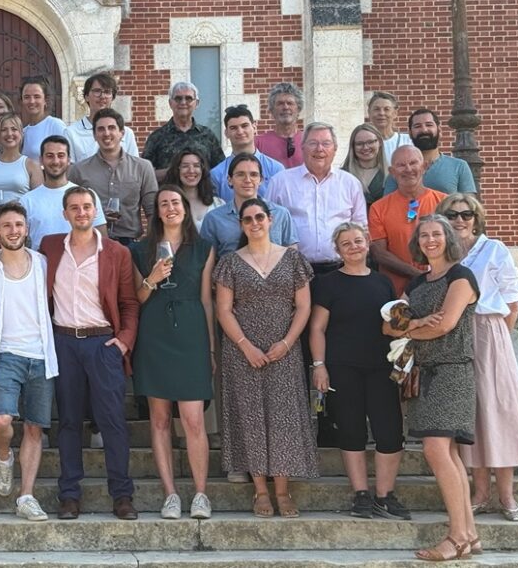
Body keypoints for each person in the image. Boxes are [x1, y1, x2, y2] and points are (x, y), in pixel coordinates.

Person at [438, 194, 518, 521]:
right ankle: (480, 492)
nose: (459, 220)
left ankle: (506, 495)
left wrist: (498, 340)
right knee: (471, 415)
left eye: (466, 214)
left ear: (476, 218)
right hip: (455, 335)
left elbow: (512, 301)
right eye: (452, 214)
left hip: (489, 332)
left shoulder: (494, 249)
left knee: (500, 412)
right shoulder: (443, 253)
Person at [213, 198, 317, 518]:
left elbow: (304, 306)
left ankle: (282, 491)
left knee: (283, 418)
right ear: (241, 225)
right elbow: (223, 310)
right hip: (243, 351)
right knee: (251, 418)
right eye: (248, 219)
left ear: (271, 220)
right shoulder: (230, 262)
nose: (255, 223)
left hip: (283, 349)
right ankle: (260, 491)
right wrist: (245, 346)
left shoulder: (293, 259)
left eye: (259, 217)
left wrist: (287, 343)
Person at [384, 215, 480, 560]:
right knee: (448, 453)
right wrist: (416, 323)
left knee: (437, 450)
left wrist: (411, 327)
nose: (430, 240)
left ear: (448, 238)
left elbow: (446, 325)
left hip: (452, 372)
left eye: (436, 234)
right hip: (423, 374)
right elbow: (388, 327)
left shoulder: (461, 277)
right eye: (424, 235)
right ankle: (470, 535)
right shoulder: (417, 283)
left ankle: (457, 537)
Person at [41, 186, 139, 521]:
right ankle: (69, 495)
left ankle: (122, 494)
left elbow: (129, 302)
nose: (81, 212)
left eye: (86, 207)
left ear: (95, 211)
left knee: (112, 421)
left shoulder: (116, 252)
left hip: (102, 343)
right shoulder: (50, 246)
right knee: (68, 421)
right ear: (65, 213)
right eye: (74, 207)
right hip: (64, 342)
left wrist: (123, 341)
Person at [308, 222, 410, 520]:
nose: (353, 247)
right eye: (346, 243)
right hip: (342, 367)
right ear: (337, 250)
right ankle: (361, 495)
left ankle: (385, 496)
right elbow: (317, 328)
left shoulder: (383, 283)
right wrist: (319, 366)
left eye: (357, 241)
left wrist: (404, 364)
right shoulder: (327, 283)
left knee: (389, 431)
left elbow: (394, 327)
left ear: (367, 243)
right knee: (351, 431)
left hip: (382, 368)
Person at [131, 186, 216, 520]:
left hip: (192, 334)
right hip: (155, 334)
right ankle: (170, 495)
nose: (170, 208)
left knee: (193, 419)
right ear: (156, 211)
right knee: (160, 419)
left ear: (185, 208)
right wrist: (152, 279)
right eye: (163, 203)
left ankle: (200, 494)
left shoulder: (204, 248)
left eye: (175, 202)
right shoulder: (140, 249)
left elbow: (207, 301)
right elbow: (137, 299)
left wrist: (211, 347)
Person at [0, 203, 57, 522]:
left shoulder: (43, 263)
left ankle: (26, 495)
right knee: (1, 421)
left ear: (27, 229)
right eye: (7, 226)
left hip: (41, 355)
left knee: (34, 427)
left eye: (19, 225)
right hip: (5, 355)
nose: (13, 231)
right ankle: (4, 455)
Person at [267, 122, 367, 276]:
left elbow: (360, 228)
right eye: (313, 143)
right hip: (294, 271)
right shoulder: (280, 182)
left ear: (335, 148)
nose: (319, 149)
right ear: (302, 147)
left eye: (326, 143)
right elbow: (267, 225)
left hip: (342, 269)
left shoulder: (350, 183)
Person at [68, 107, 158, 245]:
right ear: (94, 135)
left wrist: (149, 245)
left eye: (111, 128)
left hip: (130, 244)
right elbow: (70, 210)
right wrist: (96, 216)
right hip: (92, 243)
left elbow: (152, 211)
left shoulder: (143, 167)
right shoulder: (79, 170)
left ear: (122, 133)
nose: (106, 133)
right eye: (101, 129)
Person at [369, 146, 447, 296]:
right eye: (401, 165)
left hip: (439, 288)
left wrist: (433, 276)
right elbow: (379, 253)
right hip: (394, 292)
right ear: (392, 172)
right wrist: (418, 275)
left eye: (413, 163)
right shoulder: (378, 208)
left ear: (424, 166)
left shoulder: (444, 202)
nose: (408, 169)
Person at [201, 153, 297, 258]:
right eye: (240, 174)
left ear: (261, 180)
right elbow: (206, 260)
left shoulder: (280, 214)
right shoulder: (214, 219)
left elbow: (292, 258)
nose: (247, 180)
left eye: (253, 175)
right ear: (229, 180)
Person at [20, 135, 107, 249]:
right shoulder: (27, 201)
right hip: (42, 259)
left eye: (61, 155)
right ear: (41, 160)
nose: (55, 161)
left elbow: (102, 240)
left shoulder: (88, 196)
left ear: (69, 160)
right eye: (50, 156)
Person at [383, 109, 477, 197]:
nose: (424, 130)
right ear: (410, 133)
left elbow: (470, 205)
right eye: (417, 126)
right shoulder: (400, 170)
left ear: (439, 130)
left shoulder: (459, 166)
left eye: (429, 125)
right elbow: (388, 205)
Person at [142, 81, 225, 172]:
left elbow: (221, 171)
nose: (183, 102)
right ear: (170, 103)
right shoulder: (157, 137)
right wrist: (170, 173)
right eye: (178, 98)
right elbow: (144, 173)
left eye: (188, 98)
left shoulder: (208, 136)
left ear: (197, 103)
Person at [209, 104, 285, 203]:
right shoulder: (217, 174)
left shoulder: (276, 170)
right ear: (226, 133)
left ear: (254, 127)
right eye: (233, 128)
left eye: (244, 126)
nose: (240, 131)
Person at [62, 73, 140, 161]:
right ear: (86, 97)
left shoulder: (127, 133)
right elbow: (70, 168)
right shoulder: (71, 133)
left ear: (112, 97)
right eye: (97, 91)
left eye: (107, 92)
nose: (102, 96)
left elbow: (134, 166)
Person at [0, 113, 43, 203]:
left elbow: (38, 201)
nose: (9, 134)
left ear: (21, 133)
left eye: (14, 129)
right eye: (4, 130)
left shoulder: (32, 166)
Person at [160, 148, 223, 230]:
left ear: (202, 170)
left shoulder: (218, 204)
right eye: (185, 166)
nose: (191, 171)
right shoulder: (169, 207)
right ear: (177, 170)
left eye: (196, 166)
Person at [254, 82, 305, 168]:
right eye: (280, 103)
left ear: (298, 109)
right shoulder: (258, 143)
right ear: (272, 110)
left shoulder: (309, 141)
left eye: (290, 103)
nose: (285, 107)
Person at [18, 76, 67, 162]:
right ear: (22, 101)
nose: (32, 101)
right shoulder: (23, 132)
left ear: (45, 100)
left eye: (37, 96)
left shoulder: (55, 125)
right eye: (27, 97)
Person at [341, 123, 389, 208]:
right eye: (359, 144)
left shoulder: (391, 175)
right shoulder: (342, 176)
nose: (365, 147)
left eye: (370, 142)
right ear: (353, 147)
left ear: (380, 142)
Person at [366, 91, 412, 161]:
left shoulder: (408, 141)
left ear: (395, 113)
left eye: (387, 109)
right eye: (376, 109)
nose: (381, 113)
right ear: (369, 112)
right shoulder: (362, 143)